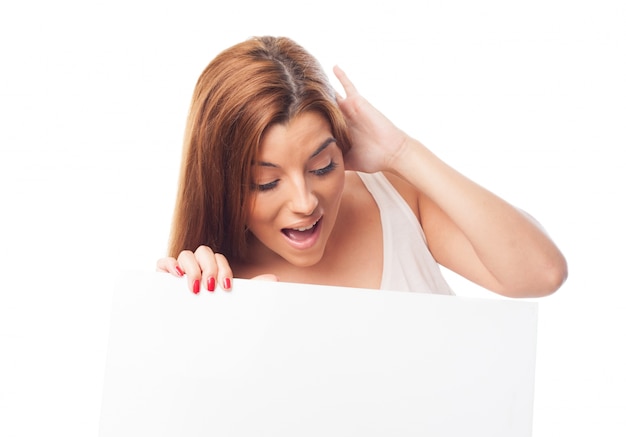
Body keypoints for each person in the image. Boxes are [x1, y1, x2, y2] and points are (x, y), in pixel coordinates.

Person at [157, 36, 567, 297]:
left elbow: (542, 273)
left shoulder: (395, 200)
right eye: (265, 183)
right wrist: (194, 317)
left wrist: (403, 153)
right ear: (218, 183)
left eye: (322, 167)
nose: (304, 203)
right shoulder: (218, 281)